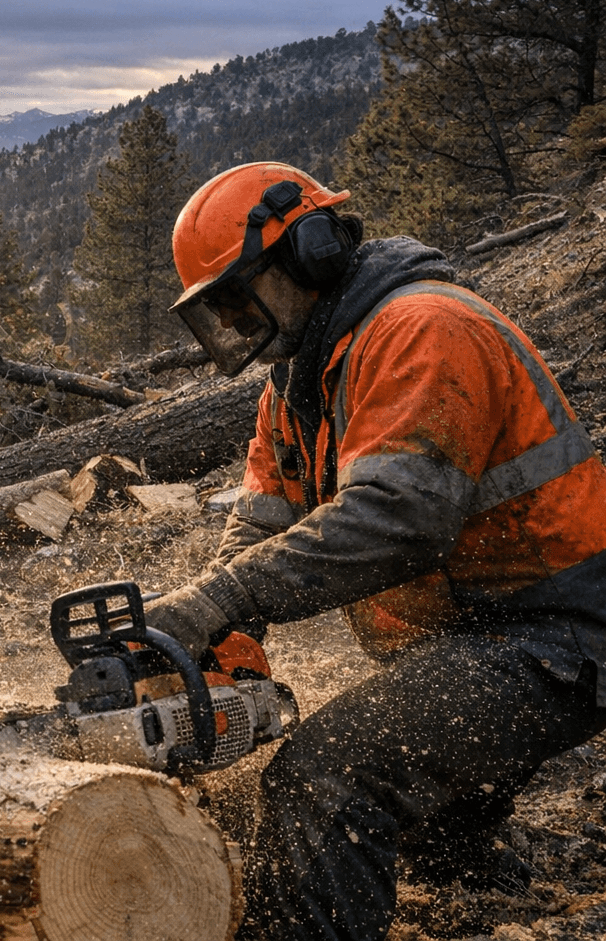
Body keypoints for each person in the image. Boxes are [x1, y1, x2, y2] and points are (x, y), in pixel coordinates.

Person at [142, 162, 606, 941]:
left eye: (234, 294)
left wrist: (218, 604)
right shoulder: (299, 379)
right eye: (215, 308)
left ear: (308, 253)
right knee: (414, 816)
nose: (230, 318)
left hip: (557, 634)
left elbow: (399, 516)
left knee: (327, 774)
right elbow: (260, 521)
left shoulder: (424, 328)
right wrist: (217, 636)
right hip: (469, 635)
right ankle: (466, 878)